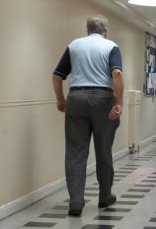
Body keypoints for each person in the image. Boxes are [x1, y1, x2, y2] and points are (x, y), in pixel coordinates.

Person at [51, 16, 124, 217]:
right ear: (105, 31)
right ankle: (105, 196)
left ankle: (75, 202)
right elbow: (116, 74)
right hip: (103, 99)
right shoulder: (111, 46)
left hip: (76, 97)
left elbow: (57, 75)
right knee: (104, 150)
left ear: (87, 29)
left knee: (75, 153)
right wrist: (119, 102)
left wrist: (60, 100)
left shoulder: (74, 45)